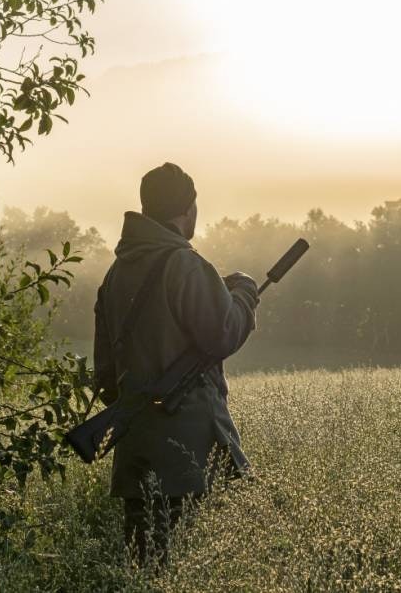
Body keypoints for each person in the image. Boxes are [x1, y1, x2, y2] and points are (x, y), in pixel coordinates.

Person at [92, 163, 258, 564]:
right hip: (193, 457)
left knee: (146, 566)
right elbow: (224, 334)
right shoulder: (184, 264)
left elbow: (106, 378)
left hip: (136, 459)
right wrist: (244, 294)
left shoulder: (116, 273)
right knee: (197, 566)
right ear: (187, 209)